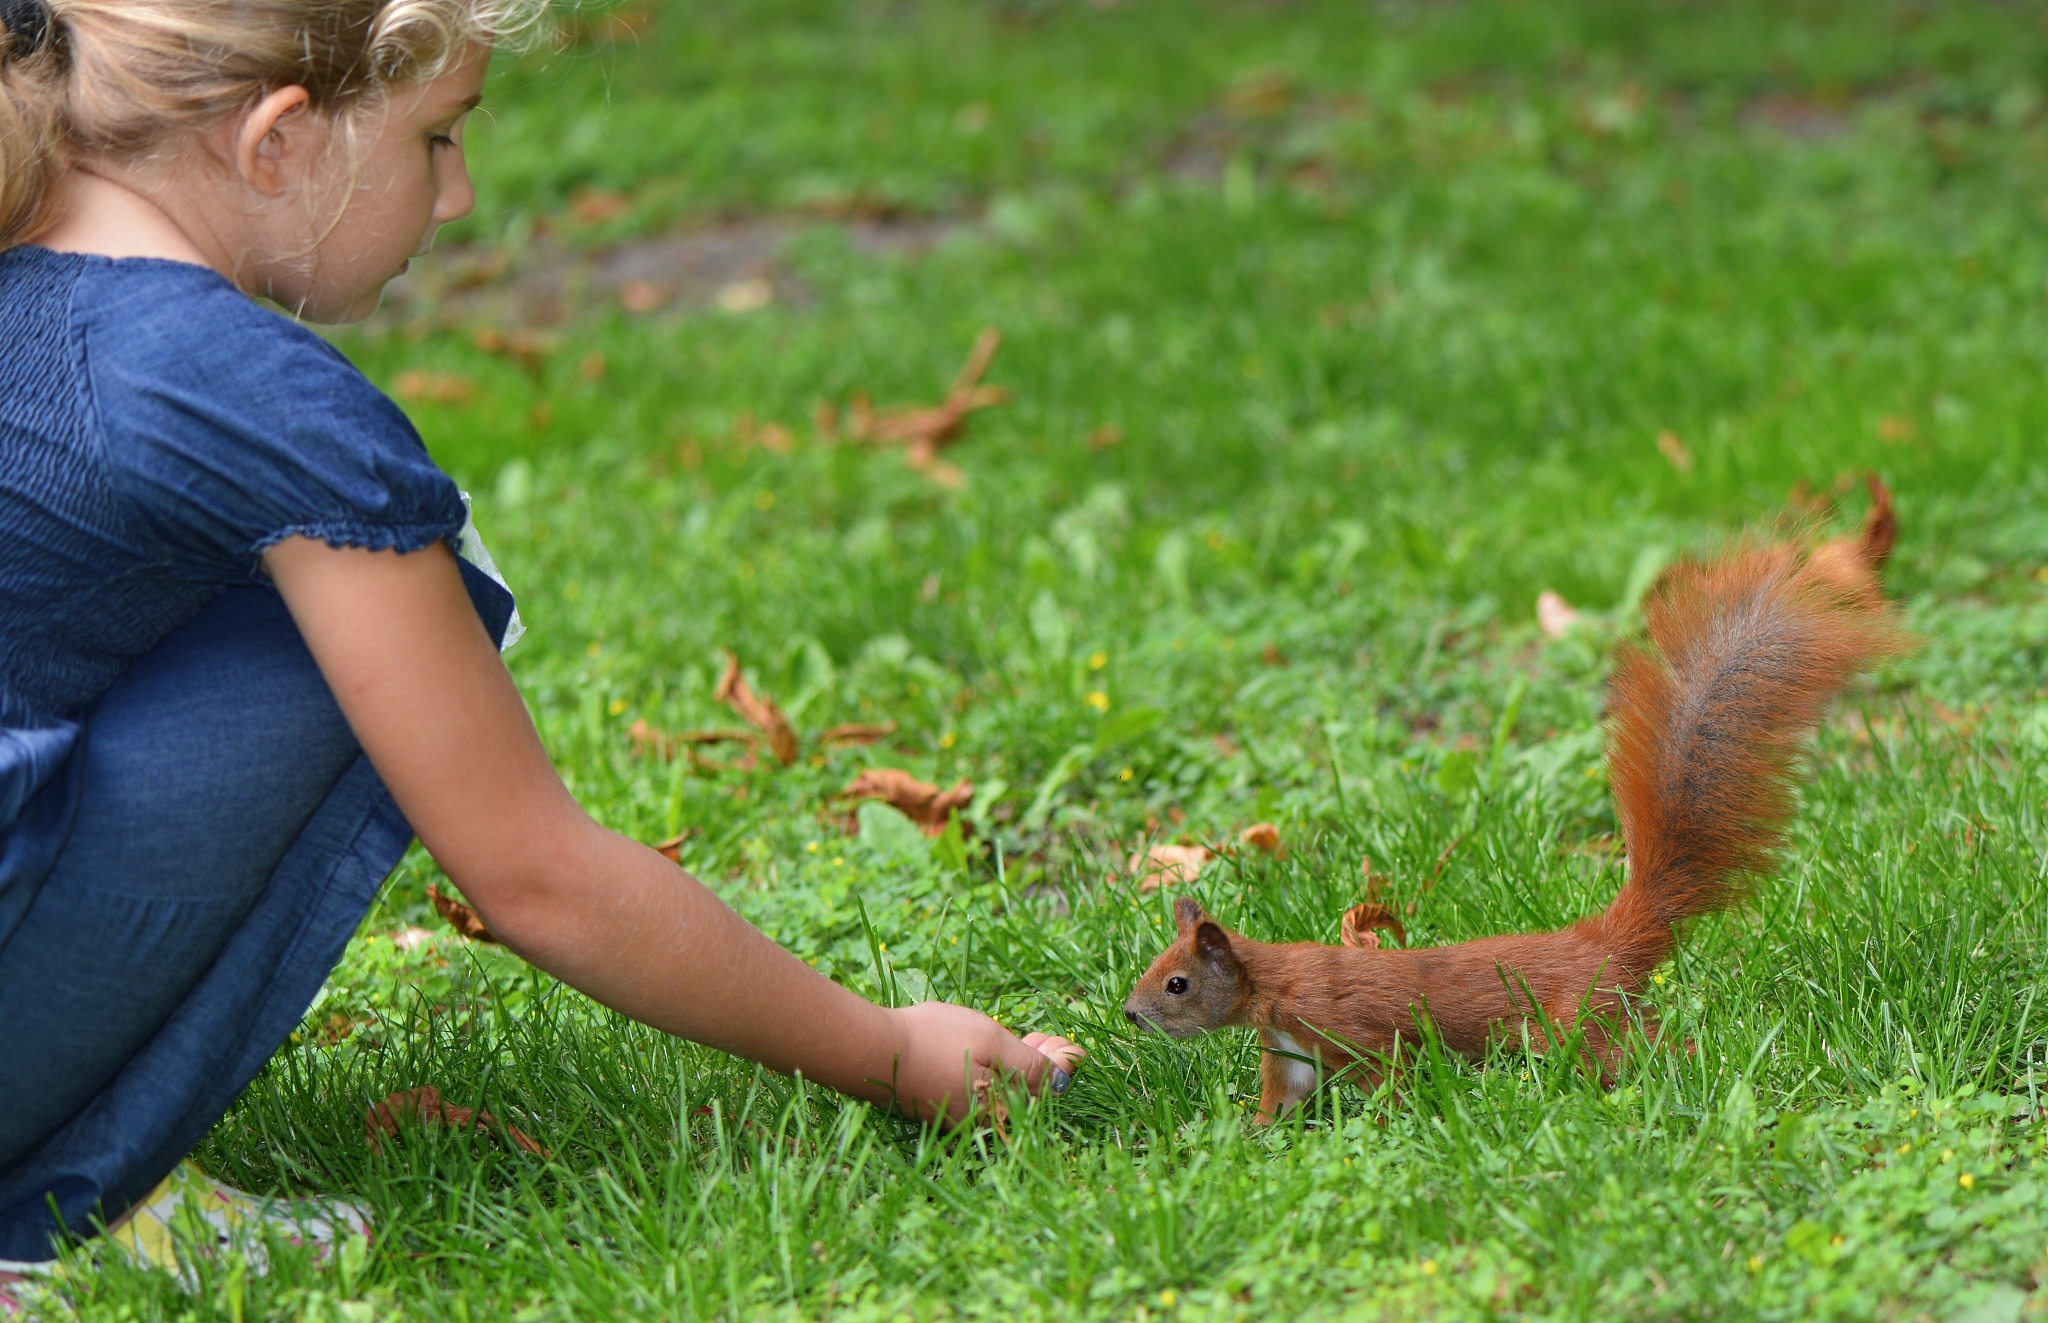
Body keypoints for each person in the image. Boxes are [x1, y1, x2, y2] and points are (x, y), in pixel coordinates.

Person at [0, 0, 1082, 1271]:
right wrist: (894, 1051)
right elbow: (534, 876)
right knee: (365, 635)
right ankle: (66, 1193)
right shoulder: (251, 397)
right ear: (278, 140)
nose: (457, 200)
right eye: (439, 140)